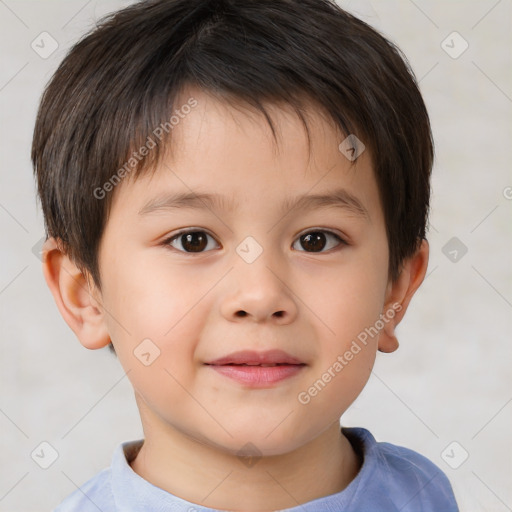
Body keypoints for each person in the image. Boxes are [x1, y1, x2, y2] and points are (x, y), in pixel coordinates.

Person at [32, 0, 459, 510]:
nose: (260, 296)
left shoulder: (424, 495)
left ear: (396, 291)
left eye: (316, 240)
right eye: (192, 239)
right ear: (86, 295)